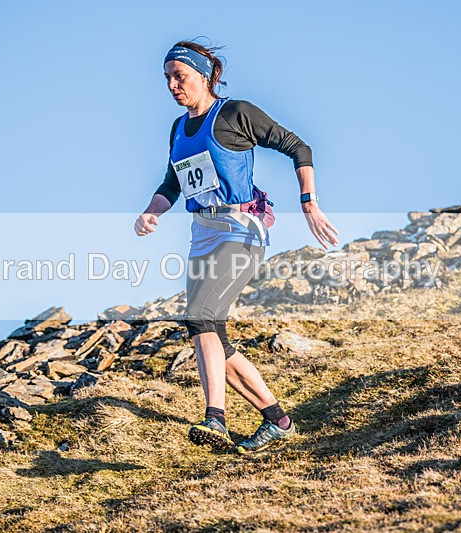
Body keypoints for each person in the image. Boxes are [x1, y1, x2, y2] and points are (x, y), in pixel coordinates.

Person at [134, 40, 339, 454]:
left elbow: (299, 146)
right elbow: (172, 183)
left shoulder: (234, 113)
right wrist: (151, 212)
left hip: (241, 227)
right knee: (212, 335)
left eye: (181, 76)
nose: (173, 86)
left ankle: (215, 419)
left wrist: (309, 203)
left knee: (199, 318)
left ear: (205, 76)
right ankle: (277, 420)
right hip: (202, 232)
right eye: (168, 79)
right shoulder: (178, 129)